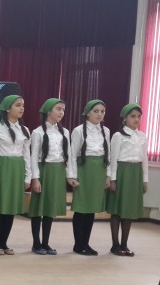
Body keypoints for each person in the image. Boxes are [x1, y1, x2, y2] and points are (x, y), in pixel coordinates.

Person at [0, 95, 32, 255]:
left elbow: (26, 155)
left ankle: (4, 242)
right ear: (7, 108)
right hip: (2, 168)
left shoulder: (25, 130)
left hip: (17, 169)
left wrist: (27, 176)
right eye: (18, 105)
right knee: (0, 206)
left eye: (23, 105)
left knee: (11, 207)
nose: (22, 108)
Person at [28, 98, 71, 255]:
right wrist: (35, 178)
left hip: (58, 171)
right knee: (38, 208)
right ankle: (36, 243)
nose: (61, 112)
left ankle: (45, 243)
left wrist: (69, 175)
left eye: (63, 109)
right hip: (43, 170)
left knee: (49, 208)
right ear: (48, 111)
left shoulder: (65, 132)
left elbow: (68, 155)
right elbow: (34, 157)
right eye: (58, 109)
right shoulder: (38, 132)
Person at [68, 100, 110, 255]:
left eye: (102, 111)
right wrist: (71, 175)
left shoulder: (106, 131)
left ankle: (86, 242)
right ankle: (78, 244)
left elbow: (108, 155)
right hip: (84, 169)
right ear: (87, 113)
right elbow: (72, 155)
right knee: (81, 208)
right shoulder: (78, 130)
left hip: (99, 171)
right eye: (96, 111)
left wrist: (108, 176)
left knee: (91, 208)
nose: (100, 114)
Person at [106, 104, 148, 256]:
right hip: (122, 173)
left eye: (138, 116)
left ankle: (124, 244)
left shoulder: (142, 136)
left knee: (128, 210)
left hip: (135, 173)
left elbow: (144, 159)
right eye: (133, 116)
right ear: (125, 118)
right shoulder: (118, 136)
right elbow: (113, 159)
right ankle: (115, 245)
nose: (136, 119)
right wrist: (113, 179)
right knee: (117, 210)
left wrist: (145, 179)